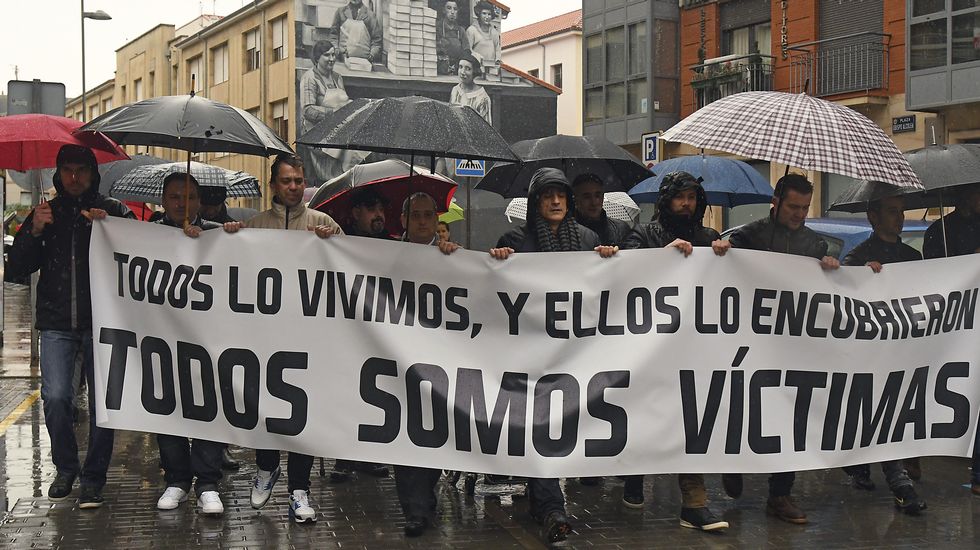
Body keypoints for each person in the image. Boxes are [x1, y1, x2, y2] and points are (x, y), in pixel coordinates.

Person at [490, 168, 618, 544]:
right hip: (532, 355)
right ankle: (551, 508)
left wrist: (610, 259)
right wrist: (498, 261)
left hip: (577, 354)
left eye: (561, 195)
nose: (556, 202)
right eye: (548, 196)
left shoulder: (589, 239)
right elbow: (494, 289)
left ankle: (542, 498)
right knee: (540, 427)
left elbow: (615, 282)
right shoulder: (515, 239)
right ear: (535, 203)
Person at [6, 144, 135, 509]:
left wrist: (113, 228)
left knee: (104, 406)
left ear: (93, 174)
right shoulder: (45, 213)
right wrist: (34, 230)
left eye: (81, 170)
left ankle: (94, 478)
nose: (74, 177)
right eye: (67, 170)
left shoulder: (111, 211)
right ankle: (66, 468)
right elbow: (16, 270)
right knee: (57, 397)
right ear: (58, 175)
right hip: (57, 324)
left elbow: (144, 252)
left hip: (104, 324)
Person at [225, 154, 343, 523]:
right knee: (263, 408)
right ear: (274, 184)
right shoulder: (255, 225)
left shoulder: (322, 223)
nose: (294, 187)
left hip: (309, 341)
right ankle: (266, 467)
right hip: (265, 340)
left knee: (301, 417)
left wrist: (333, 242)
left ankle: (299, 491)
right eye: (287, 181)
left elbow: (353, 263)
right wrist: (224, 240)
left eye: (299, 180)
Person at [620, 171, 730, 531]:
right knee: (645, 415)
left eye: (692, 197)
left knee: (692, 419)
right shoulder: (644, 235)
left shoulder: (708, 237)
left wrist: (723, 257)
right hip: (650, 348)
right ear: (666, 200)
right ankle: (634, 472)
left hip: (693, 350)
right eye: (679, 197)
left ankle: (694, 502)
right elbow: (624, 274)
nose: (686, 204)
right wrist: (660, 258)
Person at [726, 173, 838, 525]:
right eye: (793, 207)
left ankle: (781, 493)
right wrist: (721, 253)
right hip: (749, 340)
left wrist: (831, 269)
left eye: (805, 208)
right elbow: (721, 270)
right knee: (743, 406)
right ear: (776, 202)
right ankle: (732, 460)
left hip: (791, 345)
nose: (800, 214)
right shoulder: (749, 235)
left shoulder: (813, 244)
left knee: (791, 415)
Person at [839, 194, 927, 515]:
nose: (899, 218)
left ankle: (861, 464)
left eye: (901, 212)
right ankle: (899, 483)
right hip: (872, 351)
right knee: (880, 410)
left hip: (904, 348)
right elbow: (846, 298)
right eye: (892, 212)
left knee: (888, 411)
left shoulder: (912, 255)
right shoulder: (858, 257)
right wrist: (862, 277)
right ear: (873, 217)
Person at [152, 173, 226, 514]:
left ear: (199, 201)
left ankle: (208, 483)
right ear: (163, 201)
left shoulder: (217, 233)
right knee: (168, 407)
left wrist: (227, 238)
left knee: (210, 405)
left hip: (208, 339)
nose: (183, 203)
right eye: (175, 197)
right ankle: (177, 480)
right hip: (164, 337)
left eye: (191, 197)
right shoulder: (145, 234)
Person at [393, 192, 460, 537]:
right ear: (403, 220)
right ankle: (415, 509)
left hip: (439, 361)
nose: (421, 221)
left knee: (432, 431)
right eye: (415, 215)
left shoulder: (454, 256)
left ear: (437, 220)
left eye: (427, 215)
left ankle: (424, 495)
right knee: (405, 433)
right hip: (396, 359)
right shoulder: (384, 253)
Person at [300, 40, 361, 184]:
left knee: (358, 148)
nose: (332, 59)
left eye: (333, 54)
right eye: (327, 55)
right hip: (318, 135)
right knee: (337, 174)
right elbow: (307, 110)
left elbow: (342, 101)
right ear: (317, 57)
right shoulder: (310, 78)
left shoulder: (337, 78)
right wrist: (334, 112)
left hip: (337, 129)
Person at [923, 182, 980, 259]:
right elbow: (934, 264)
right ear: (966, 196)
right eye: (978, 192)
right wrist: (972, 256)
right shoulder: (939, 229)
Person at [572, 173, 632, 246]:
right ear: (576, 200)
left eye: (597, 196)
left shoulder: (621, 229)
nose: (593, 202)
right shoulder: (568, 233)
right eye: (587, 197)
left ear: (603, 197)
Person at [450, 53, 492, 124]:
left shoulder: (483, 98)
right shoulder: (455, 90)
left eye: (468, 69)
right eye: (460, 67)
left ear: (474, 72)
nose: (462, 72)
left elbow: (487, 129)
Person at [436, 0, 469, 75]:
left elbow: (466, 51)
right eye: (449, 8)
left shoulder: (461, 31)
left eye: (455, 9)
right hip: (438, 71)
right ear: (443, 10)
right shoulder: (437, 28)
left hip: (457, 71)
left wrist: (458, 65)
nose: (452, 12)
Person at [467, 0, 500, 73]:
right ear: (479, 14)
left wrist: (497, 60)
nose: (487, 17)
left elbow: (497, 49)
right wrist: (477, 56)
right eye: (484, 13)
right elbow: (468, 50)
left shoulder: (494, 32)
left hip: (492, 70)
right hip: (476, 68)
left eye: (489, 14)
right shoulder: (472, 30)